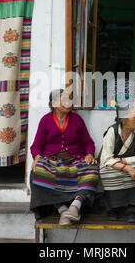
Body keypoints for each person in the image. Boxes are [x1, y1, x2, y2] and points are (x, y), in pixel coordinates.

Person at [29, 89, 100, 225]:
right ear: (54, 103)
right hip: (52, 161)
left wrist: (90, 154)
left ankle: (75, 206)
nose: (69, 103)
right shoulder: (46, 120)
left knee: (92, 168)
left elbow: (88, 142)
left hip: (75, 160)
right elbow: (36, 145)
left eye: (69, 99)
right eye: (65, 100)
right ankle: (62, 210)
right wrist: (37, 157)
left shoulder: (76, 119)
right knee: (36, 173)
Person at [99, 99, 135, 223]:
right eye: (134, 116)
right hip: (112, 165)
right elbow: (106, 159)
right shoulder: (112, 131)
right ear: (123, 118)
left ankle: (133, 206)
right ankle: (113, 206)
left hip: (130, 162)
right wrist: (126, 168)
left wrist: (123, 160)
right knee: (108, 173)